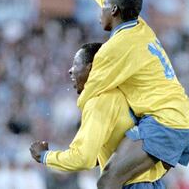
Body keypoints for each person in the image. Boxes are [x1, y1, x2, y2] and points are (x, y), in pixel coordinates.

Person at [77, 0, 189, 188]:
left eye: (103, 7)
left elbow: (88, 94)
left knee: (110, 180)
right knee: (136, 181)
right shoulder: (139, 24)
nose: (100, 11)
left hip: (166, 123)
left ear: (114, 10)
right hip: (175, 117)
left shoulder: (113, 49)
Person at [30, 43, 166, 188]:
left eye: (76, 65)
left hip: (130, 183)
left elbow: (83, 158)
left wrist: (44, 156)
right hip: (149, 181)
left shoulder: (99, 101)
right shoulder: (119, 91)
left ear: (89, 68)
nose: (70, 71)